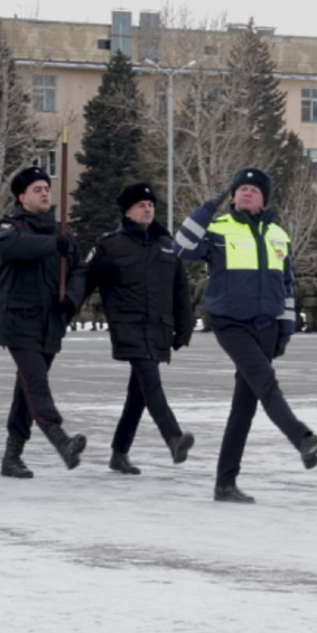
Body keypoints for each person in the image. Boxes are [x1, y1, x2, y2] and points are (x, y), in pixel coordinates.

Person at [174, 167, 317, 503]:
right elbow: (181, 247)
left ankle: (225, 484)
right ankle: (301, 438)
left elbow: (286, 287)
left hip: (267, 325)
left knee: (245, 406)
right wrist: (207, 207)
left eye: (253, 190)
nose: (245, 193)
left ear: (264, 198)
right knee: (265, 382)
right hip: (230, 322)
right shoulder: (216, 229)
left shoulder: (278, 235)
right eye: (240, 188)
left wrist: (285, 329)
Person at [86, 182, 195, 475]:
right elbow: (84, 282)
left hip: (158, 328)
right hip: (129, 327)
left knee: (139, 393)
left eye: (150, 205)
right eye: (140, 205)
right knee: (150, 383)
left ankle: (119, 453)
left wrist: (184, 327)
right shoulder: (110, 245)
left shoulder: (166, 245)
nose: (147, 209)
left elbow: (180, 290)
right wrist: (61, 312)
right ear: (127, 211)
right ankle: (173, 437)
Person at [0, 167, 87, 479]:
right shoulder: (10, 225)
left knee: (26, 392)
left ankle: (12, 457)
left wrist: (71, 300)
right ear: (22, 197)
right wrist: (51, 246)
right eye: (37, 189)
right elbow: (9, 247)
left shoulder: (63, 231)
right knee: (37, 385)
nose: (45, 193)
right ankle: (60, 440)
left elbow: (79, 272)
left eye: (47, 188)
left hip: (50, 322)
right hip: (19, 320)